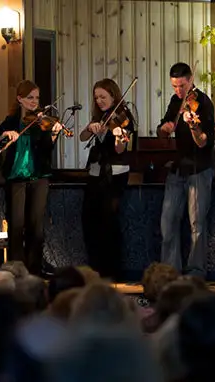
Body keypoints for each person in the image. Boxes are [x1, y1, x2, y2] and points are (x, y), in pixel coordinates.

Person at [0, 80, 64, 276]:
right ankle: (16, 270)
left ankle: (35, 269)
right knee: (16, 225)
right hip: (16, 177)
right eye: (30, 98)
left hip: (39, 176)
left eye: (37, 98)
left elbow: (46, 151)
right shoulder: (11, 121)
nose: (34, 102)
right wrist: (5, 135)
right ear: (20, 99)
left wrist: (53, 136)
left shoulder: (41, 122)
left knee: (36, 226)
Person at [157, 62, 215, 277]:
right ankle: (169, 271)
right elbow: (163, 131)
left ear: (191, 80)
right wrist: (163, 129)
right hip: (179, 168)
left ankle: (196, 271)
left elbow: (203, 142)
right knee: (168, 221)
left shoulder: (204, 103)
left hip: (200, 169)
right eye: (174, 86)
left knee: (196, 224)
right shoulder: (175, 101)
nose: (179, 91)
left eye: (182, 86)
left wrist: (193, 126)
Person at [80, 78, 137, 280]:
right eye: (96, 98)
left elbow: (120, 149)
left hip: (115, 176)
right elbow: (82, 137)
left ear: (113, 95)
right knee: (90, 220)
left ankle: (112, 270)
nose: (100, 101)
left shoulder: (124, 117)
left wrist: (120, 138)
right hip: (96, 173)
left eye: (103, 97)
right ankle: (95, 267)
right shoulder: (100, 117)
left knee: (109, 223)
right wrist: (90, 128)